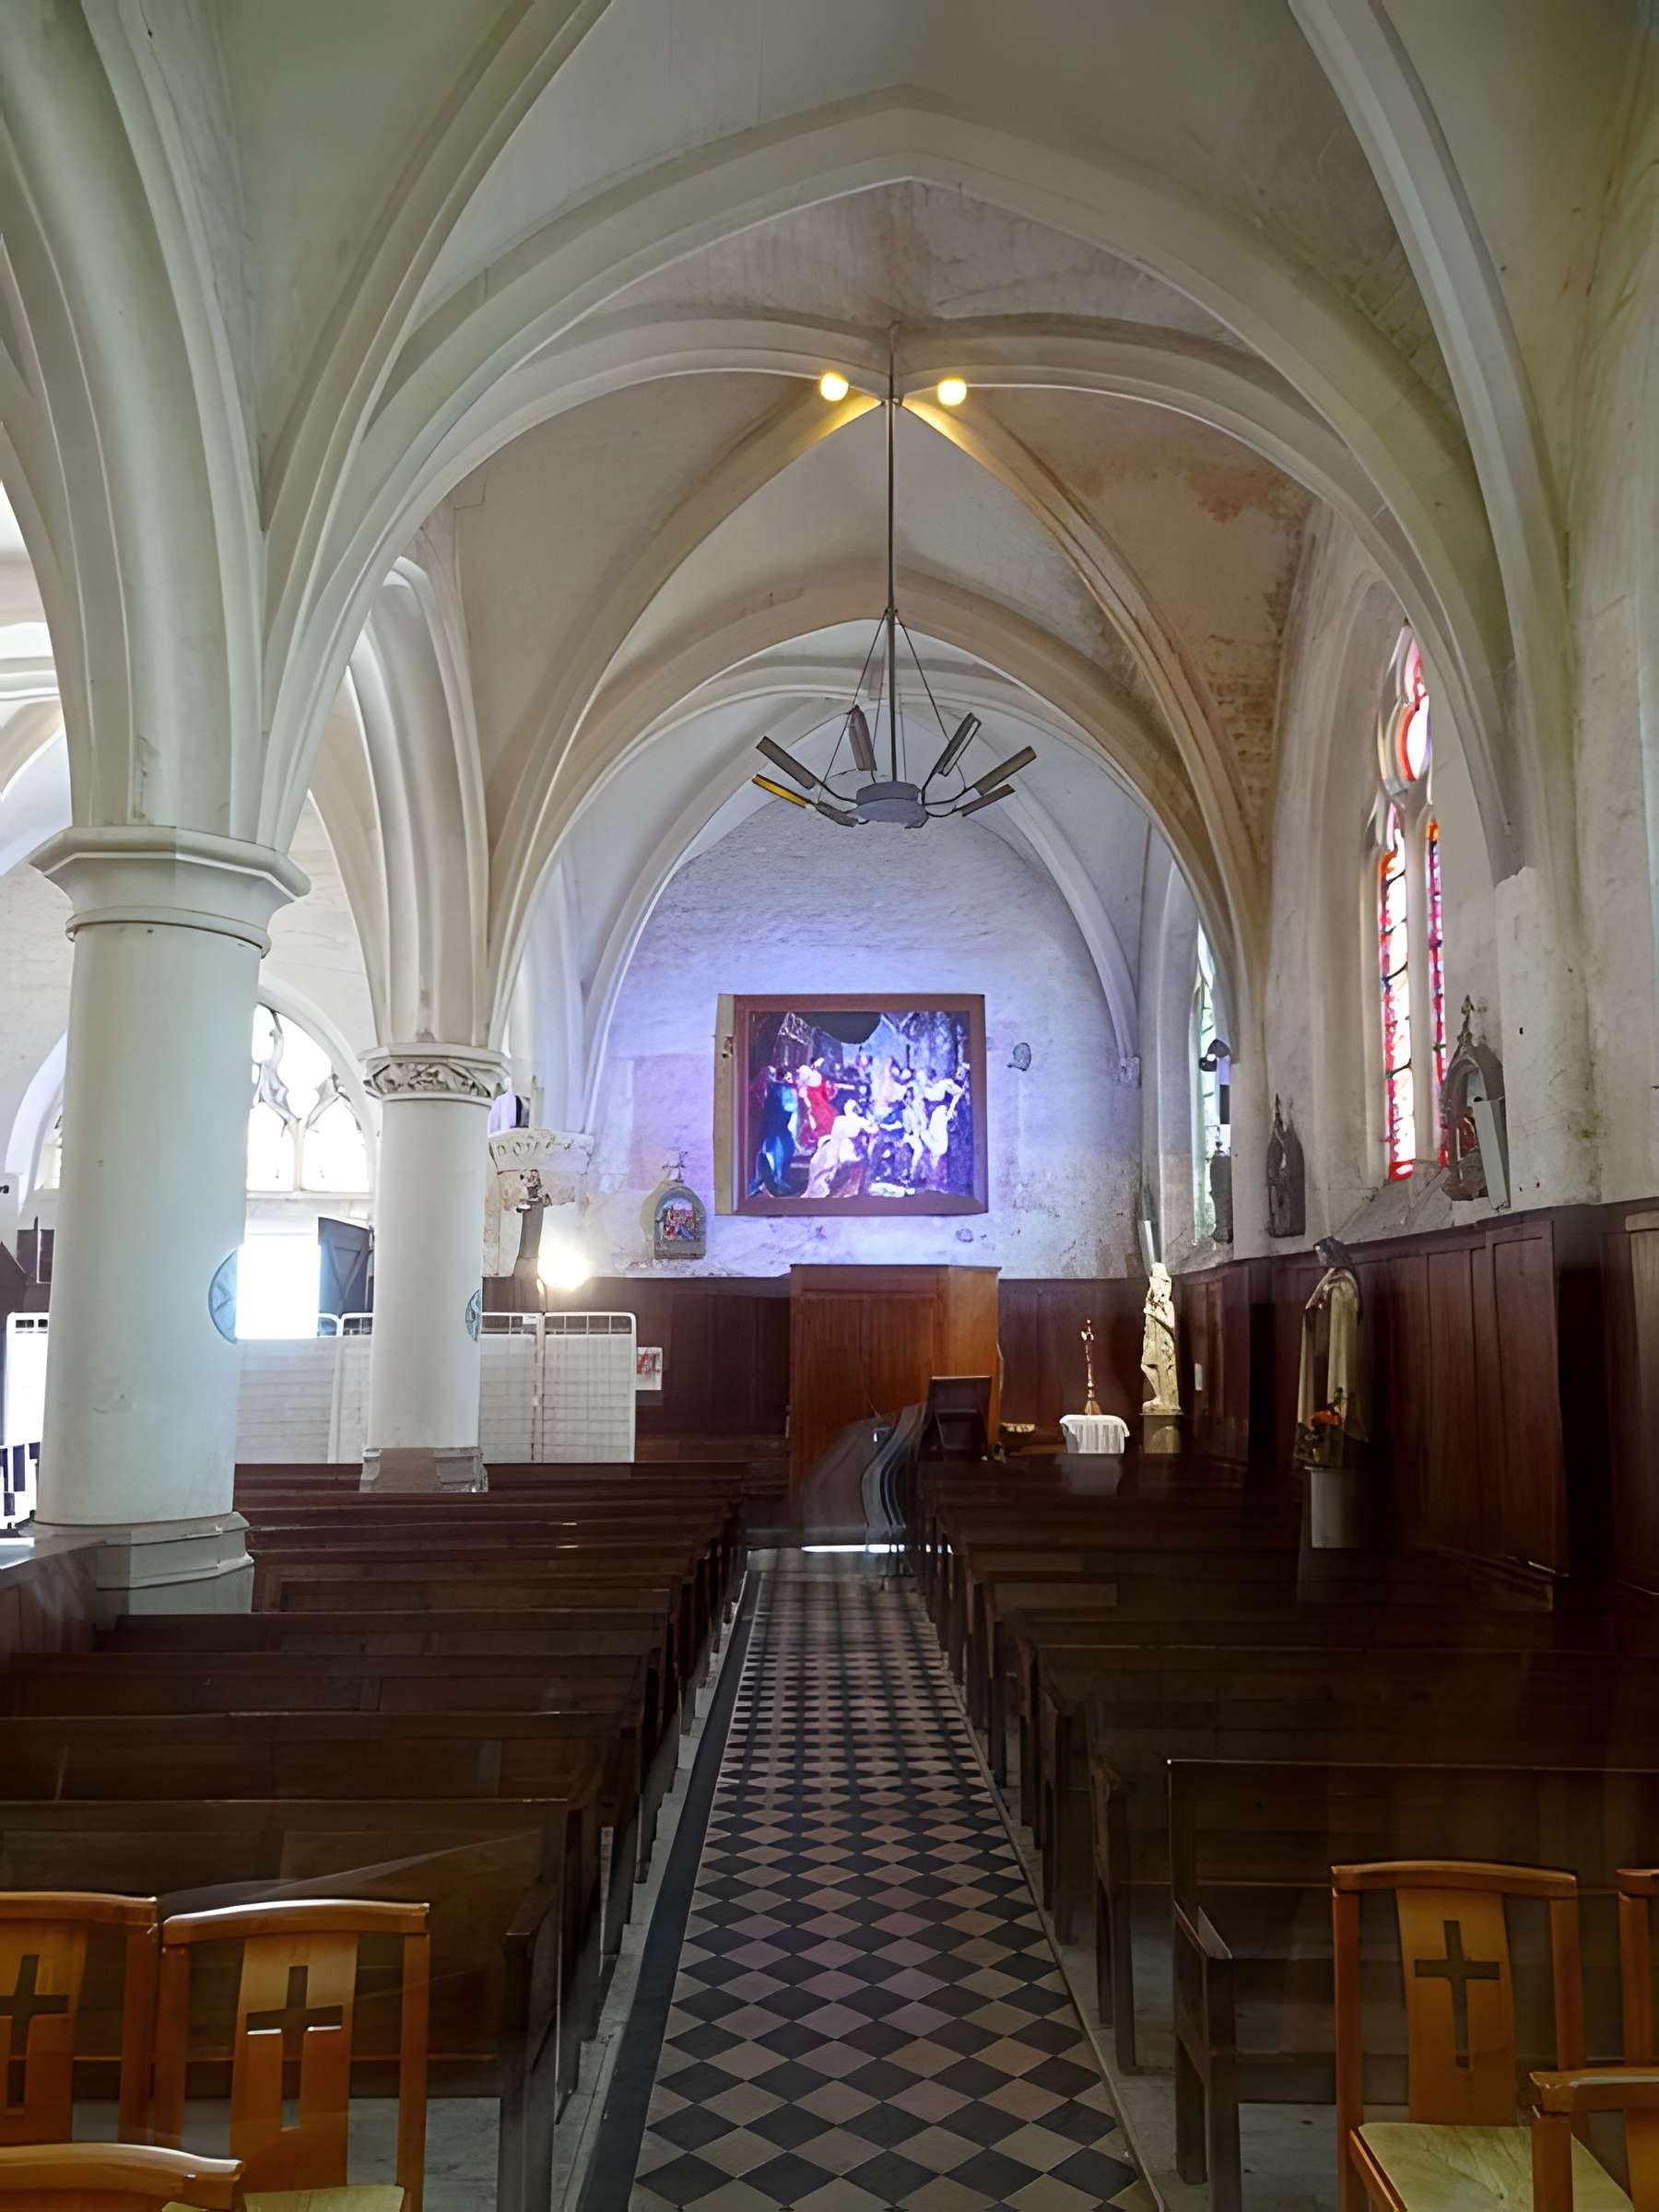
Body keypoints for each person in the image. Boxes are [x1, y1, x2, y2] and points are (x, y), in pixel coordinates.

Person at [805, 1100, 877, 1197]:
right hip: (842, 1150)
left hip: (847, 1150)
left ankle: (846, 1189)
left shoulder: (851, 1121)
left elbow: (872, 1130)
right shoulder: (848, 1121)